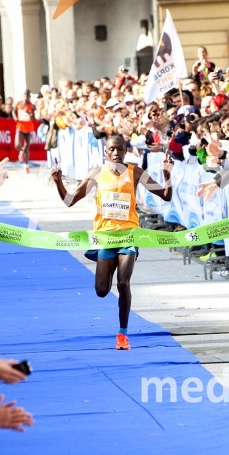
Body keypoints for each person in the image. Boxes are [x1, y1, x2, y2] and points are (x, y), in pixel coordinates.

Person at [50, 135, 172, 349]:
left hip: (129, 235)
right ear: (106, 151)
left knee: (123, 283)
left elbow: (165, 196)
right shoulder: (96, 174)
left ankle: (122, 335)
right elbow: (69, 201)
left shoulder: (135, 173)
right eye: (112, 149)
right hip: (105, 237)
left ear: (125, 151)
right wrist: (58, 181)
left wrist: (168, 176)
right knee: (101, 290)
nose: (116, 153)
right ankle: (109, 291)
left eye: (120, 149)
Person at [13, 94, 38, 172]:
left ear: (29, 98)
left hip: (28, 127)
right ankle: (21, 151)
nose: (26, 98)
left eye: (28, 97)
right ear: (23, 97)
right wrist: (15, 117)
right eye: (25, 96)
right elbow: (13, 111)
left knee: (27, 146)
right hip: (20, 126)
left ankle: (26, 164)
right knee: (17, 145)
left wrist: (31, 114)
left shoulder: (32, 106)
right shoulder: (19, 103)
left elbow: (35, 119)